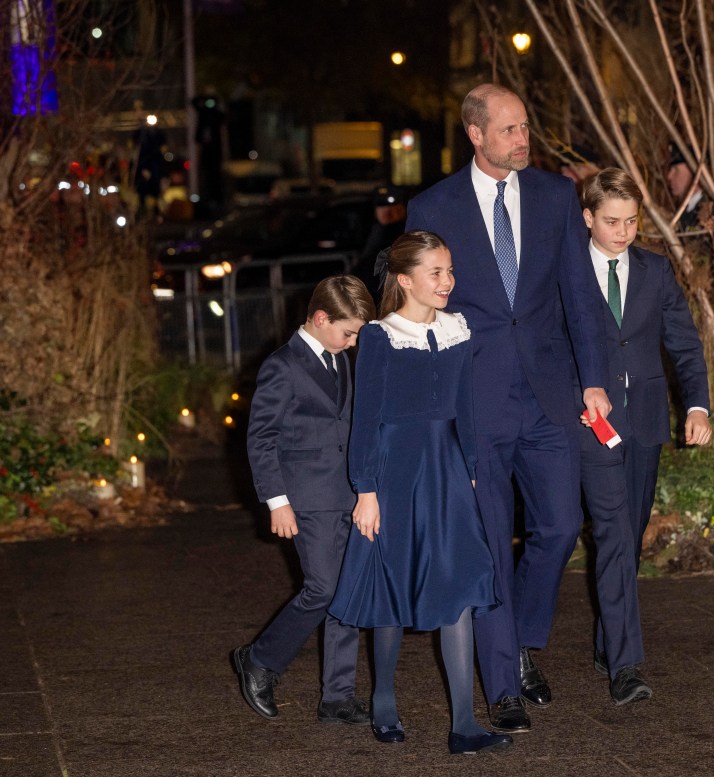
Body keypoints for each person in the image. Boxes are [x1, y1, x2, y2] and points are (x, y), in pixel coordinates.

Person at [406, 83, 611, 733]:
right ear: (476, 134)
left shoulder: (555, 196)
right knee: (492, 541)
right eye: (509, 130)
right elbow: (419, 312)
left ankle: (517, 638)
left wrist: (593, 380)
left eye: (525, 127)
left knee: (561, 525)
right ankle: (502, 686)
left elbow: (580, 295)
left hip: (549, 394)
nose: (523, 140)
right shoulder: (433, 207)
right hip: (475, 400)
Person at [328, 231, 513, 756]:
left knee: (460, 582)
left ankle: (465, 724)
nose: (447, 281)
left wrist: (470, 468)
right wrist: (366, 489)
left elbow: (465, 406)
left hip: (447, 469)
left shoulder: (459, 328)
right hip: (396, 471)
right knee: (393, 583)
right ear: (405, 280)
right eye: (436, 272)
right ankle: (384, 700)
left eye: (449, 270)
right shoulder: (380, 337)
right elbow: (366, 418)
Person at [578, 168, 712, 703]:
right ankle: (626, 665)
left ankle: (609, 640)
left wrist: (697, 405)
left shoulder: (655, 271)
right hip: (589, 423)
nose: (623, 232)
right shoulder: (567, 271)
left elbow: (684, 343)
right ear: (588, 218)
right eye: (612, 221)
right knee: (611, 533)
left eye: (632, 221)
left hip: (645, 422)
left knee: (628, 537)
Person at [233, 275, 374, 727]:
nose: (352, 343)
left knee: (347, 591)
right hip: (306, 497)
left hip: (346, 492)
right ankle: (260, 659)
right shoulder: (282, 365)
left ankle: (338, 695)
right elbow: (261, 437)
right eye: (347, 332)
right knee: (323, 589)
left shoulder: (340, 359)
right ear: (320, 318)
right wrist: (277, 501)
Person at [666, 143, 704, 229]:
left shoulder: (710, 212)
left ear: (694, 172)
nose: (669, 176)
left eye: (676, 170)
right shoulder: (682, 209)